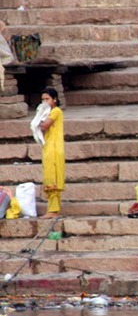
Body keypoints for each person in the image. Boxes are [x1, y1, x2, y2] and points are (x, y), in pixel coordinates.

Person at [39, 88, 65, 219]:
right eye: (43, 99)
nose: (45, 102)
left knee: (53, 179)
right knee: (48, 177)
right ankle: (52, 209)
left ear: (55, 100)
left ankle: (53, 210)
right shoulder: (47, 112)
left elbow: (43, 126)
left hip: (54, 150)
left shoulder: (56, 111)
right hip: (48, 148)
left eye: (47, 99)